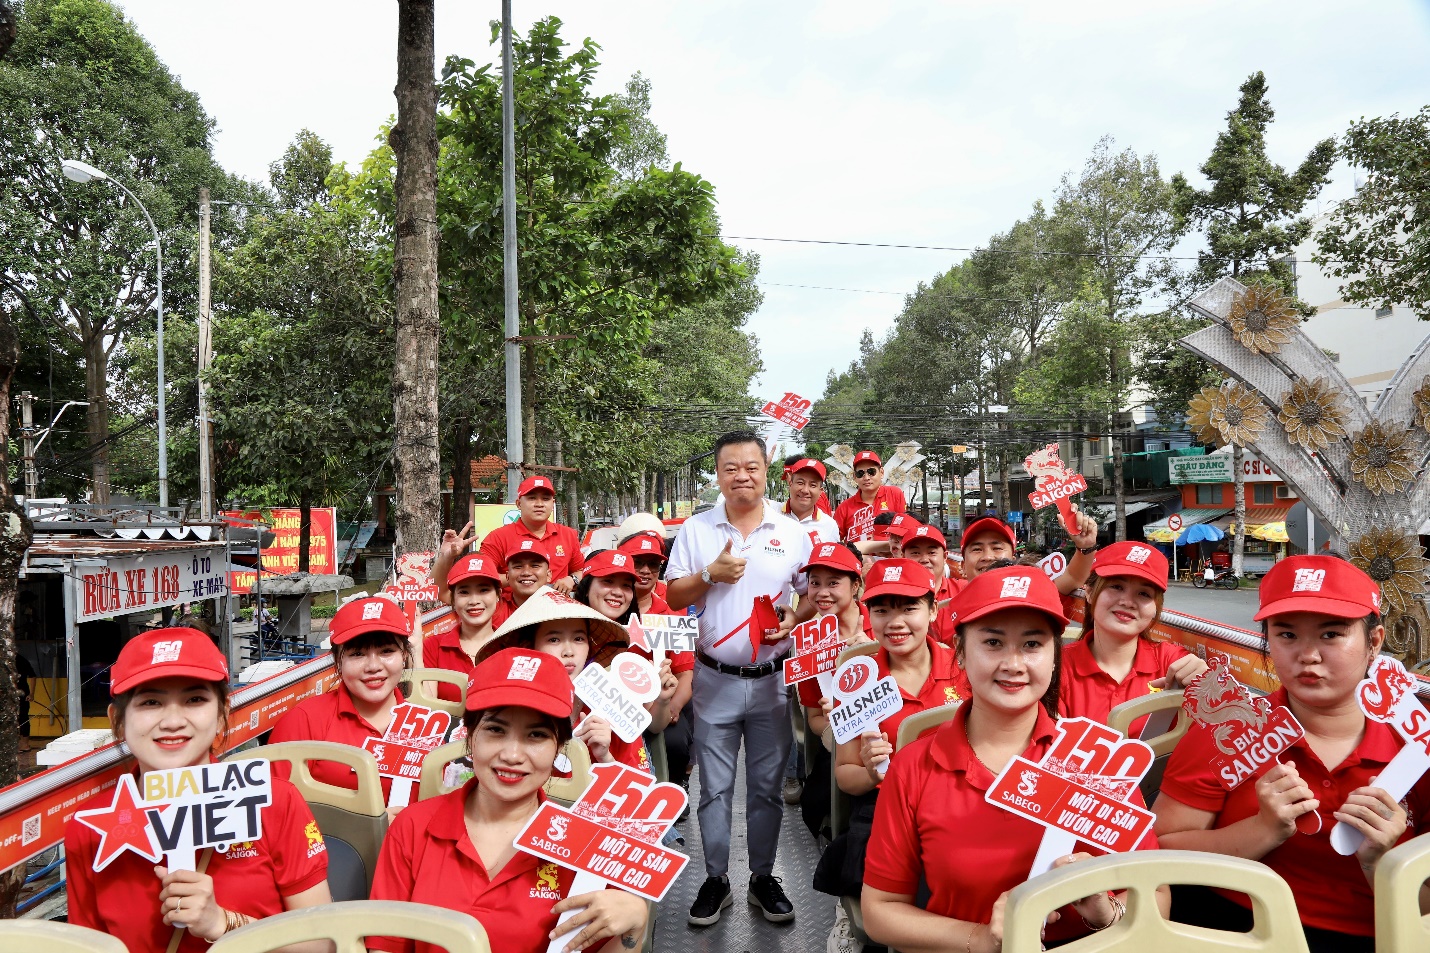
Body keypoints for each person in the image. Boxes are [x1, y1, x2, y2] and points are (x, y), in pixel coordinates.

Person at [862, 566, 1169, 952]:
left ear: (1055, 655)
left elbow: (1156, 893)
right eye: (992, 643)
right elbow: (881, 910)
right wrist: (981, 939)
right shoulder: (914, 767)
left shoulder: (1094, 761)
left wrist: (1104, 913)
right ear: (960, 652)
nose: (1013, 664)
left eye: (1032, 644)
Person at [1153, 556, 1429, 952]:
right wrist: (1261, 830)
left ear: (1374, 642)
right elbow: (1157, 852)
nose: (1308, 655)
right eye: (1286, 635)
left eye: (1331, 634)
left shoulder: (1417, 744)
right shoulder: (1228, 730)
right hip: (1231, 931)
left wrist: (1384, 863)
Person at [66, 628, 331, 952]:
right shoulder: (89, 826)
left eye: (195, 699)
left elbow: (322, 944)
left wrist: (223, 923)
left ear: (222, 715)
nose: (173, 721)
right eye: (151, 702)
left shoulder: (275, 802)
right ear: (118, 721)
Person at [369, 648, 648, 953]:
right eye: (495, 730)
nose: (512, 756)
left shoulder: (585, 848)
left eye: (536, 735)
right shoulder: (413, 828)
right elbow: (386, 944)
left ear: (560, 748)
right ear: (470, 735)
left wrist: (636, 923)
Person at [666, 429, 808, 927]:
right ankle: (716, 878)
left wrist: (796, 615)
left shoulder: (792, 532)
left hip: (772, 680)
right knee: (715, 789)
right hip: (713, 679)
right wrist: (710, 575)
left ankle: (763, 878)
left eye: (751, 466)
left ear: (767, 470)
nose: (742, 476)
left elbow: (811, 594)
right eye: (731, 468)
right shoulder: (696, 530)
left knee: (767, 788)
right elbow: (672, 597)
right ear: (719, 475)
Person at [816, 559, 967, 914]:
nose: (895, 623)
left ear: (932, 611)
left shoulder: (965, 666)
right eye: (881, 610)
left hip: (960, 798)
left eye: (909, 608)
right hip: (888, 807)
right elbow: (846, 777)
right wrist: (870, 770)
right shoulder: (857, 680)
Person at [476, 586, 677, 771]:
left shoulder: (615, 704)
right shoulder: (507, 703)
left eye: (579, 639)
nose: (569, 651)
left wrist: (605, 757)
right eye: (553, 639)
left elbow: (636, 793)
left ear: (590, 645)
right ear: (530, 646)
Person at [269, 595, 411, 804]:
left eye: (386, 651)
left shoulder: (425, 723)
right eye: (357, 654)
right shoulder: (304, 721)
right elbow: (274, 809)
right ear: (338, 660)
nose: (373, 666)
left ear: (404, 655)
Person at [1059, 541, 1207, 732]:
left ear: (1155, 608)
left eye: (1144, 594)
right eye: (1116, 586)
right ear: (1089, 592)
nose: (1128, 602)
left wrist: (1208, 686)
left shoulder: (1171, 662)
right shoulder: (1059, 668)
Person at [433, 475, 582, 603]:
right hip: (510, 614)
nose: (539, 504)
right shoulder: (497, 538)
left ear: (553, 504)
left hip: (556, 611)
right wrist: (524, 580)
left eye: (545, 498)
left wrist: (572, 579)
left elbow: (582, 570)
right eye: (531, 498)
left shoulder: (568, 534)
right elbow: (481, 577)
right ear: (518, 504)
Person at [424, 553, 504, 703]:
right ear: (453, 599)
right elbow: (427, 707)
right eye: (464, 592)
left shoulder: (513, 645)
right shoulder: (433, 646)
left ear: (498, 595)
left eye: (484, 590)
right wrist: (414, 649)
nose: (474, 601)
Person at [960, 514, 1098, 601]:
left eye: (997, 548)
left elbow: (1074, 577)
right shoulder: (943, 611)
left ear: (1013, 558)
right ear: (963, 566)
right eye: (977, 549)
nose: (988, 556)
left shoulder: (1033, 593)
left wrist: (1086, 545)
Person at [900, 523, 959, 646]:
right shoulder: (891, 597)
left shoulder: (964, 591)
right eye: (915, 553)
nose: (924, 559)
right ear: (902, 557)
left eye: (932, 552)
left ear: (945, 556)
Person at [833, 451, 907, 543]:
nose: (866, 478)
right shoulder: (844, 508)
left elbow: (905, 529)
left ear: (881, 473)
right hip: (857, 557)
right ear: (854, 477)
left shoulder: (895, 494)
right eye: (860, 473)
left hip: (889, 555)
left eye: (871, 472)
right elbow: (834, 539)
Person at [782, 457, 839, 544]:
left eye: (812, 485)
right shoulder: (770, 512)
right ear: (790, 484)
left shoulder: (829, 525)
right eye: (800, 483)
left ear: (821, 491)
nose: (805, 490)